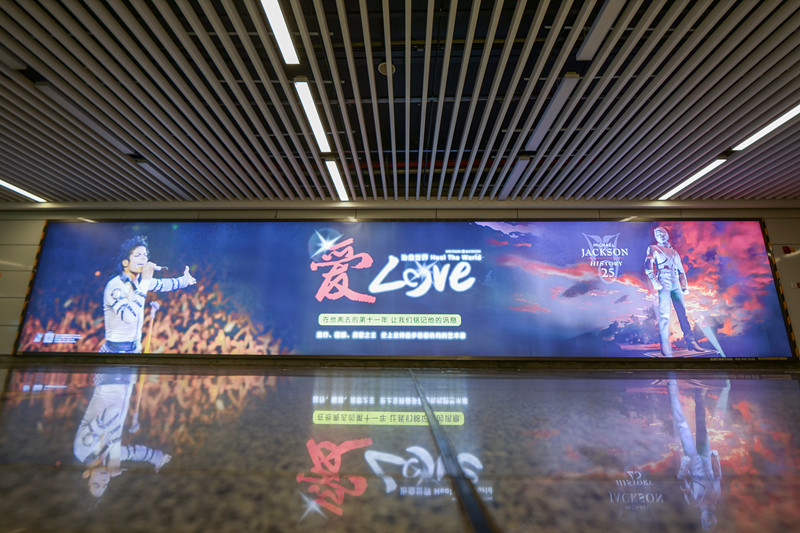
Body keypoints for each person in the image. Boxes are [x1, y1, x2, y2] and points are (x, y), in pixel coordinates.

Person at [74, 371, 171, 498]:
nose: (104, 481)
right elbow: (134, 453)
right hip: (125, 378)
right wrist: (157, 458)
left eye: (97, 484)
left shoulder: (83, 450)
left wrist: (115, 457)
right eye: (105, 486)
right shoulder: (105, 458)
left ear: (86, 475)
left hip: (111, 371)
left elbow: (112, 412)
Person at [100, 235, 196, 353]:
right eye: (137, 255)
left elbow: (162, 284)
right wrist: (145, 281)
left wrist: (184, 280)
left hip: (134, 350)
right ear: (126, 262)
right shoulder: (115, 285)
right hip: (113, 354)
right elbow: (128, 317)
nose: (143, 259)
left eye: (145, 255)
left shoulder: (138, 282)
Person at [667, 379, 722, 531]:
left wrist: (685, 464)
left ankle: (672, 388)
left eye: (706, 524)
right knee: (701, 425)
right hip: (705, 460)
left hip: (694, 464)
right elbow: (718, 476)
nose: (709, 521)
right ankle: (700, 395)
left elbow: (682, 480)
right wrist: (715, 458)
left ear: (702, 521)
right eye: (713, 524)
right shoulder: (716, 496)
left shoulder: (695, 501)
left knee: (683, 426)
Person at [644, 226, 704, 357]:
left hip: (675, 282)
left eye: (662, 233)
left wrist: (684, 286)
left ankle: (691, 342)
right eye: (657, 233)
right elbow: (648, 266)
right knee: (664, 315)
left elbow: (681, 271)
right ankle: (664, 346)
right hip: (663, 281)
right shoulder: (653, 248)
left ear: (666, 234)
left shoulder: (674, 252)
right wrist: (655, 281)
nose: (660, 235)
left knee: (682, 313)